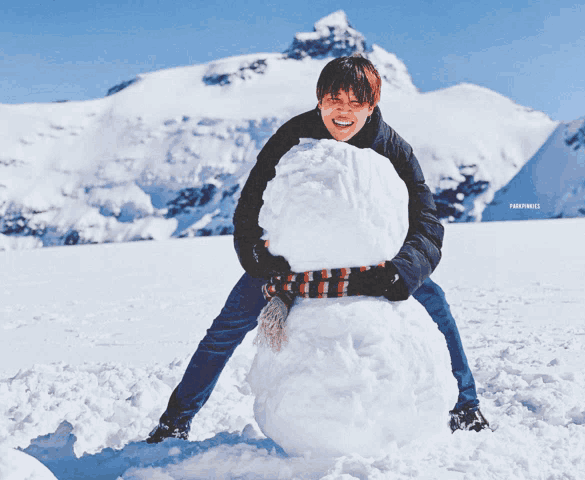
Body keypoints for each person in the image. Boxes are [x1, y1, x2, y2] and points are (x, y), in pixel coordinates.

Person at [147, 55, 489, 443]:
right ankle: (175, 420)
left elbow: (427, 222)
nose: (343, 111)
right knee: (222, 333)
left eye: (356, 102)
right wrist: (258, 257)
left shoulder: (393, 149)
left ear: (372, 106)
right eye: (334, 99)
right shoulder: (292, 136)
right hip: (291, 265)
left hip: (372, 265)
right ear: (319, 99)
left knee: (437, 306)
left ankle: (466, 405)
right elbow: (249, 207)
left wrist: (404, 269)